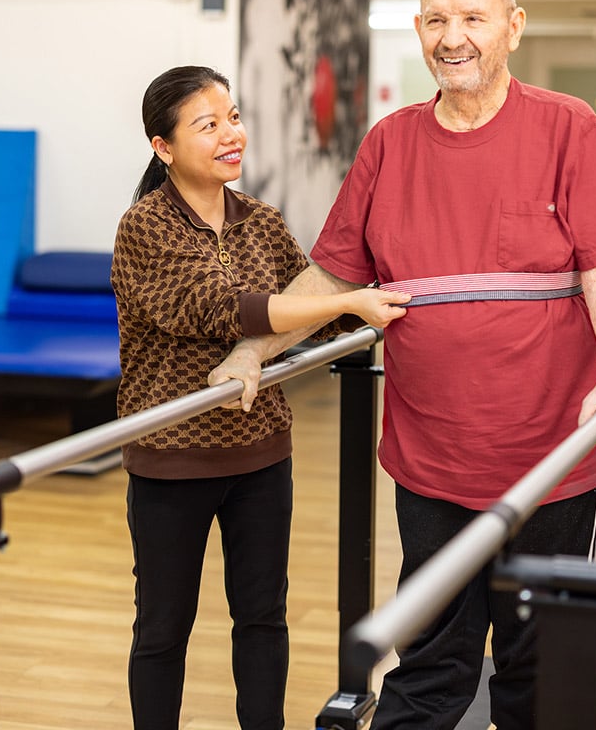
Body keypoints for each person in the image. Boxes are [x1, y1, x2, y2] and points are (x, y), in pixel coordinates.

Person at [209, 0, 596, 730]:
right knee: (433, 660)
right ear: (418, 30)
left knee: (534, 663)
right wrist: (254, 354)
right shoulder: (390, 143)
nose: (454, 38)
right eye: (437, 20)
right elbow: (331, 275)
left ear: (512, 28)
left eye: (473, 18)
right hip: (433, 459)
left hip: (550, 457)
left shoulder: (566, 125)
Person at [111, 64, 409, 730]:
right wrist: (344, 299)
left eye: (234, 118)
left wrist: (362, 289)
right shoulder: (146, 227)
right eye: (207, 124)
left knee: (263, 618)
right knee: (163, 627)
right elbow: (217, 309)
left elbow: (311, 309)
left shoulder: (260, 221)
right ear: (162, 147)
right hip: (172, 458)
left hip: (259, 453)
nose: (230, 135)